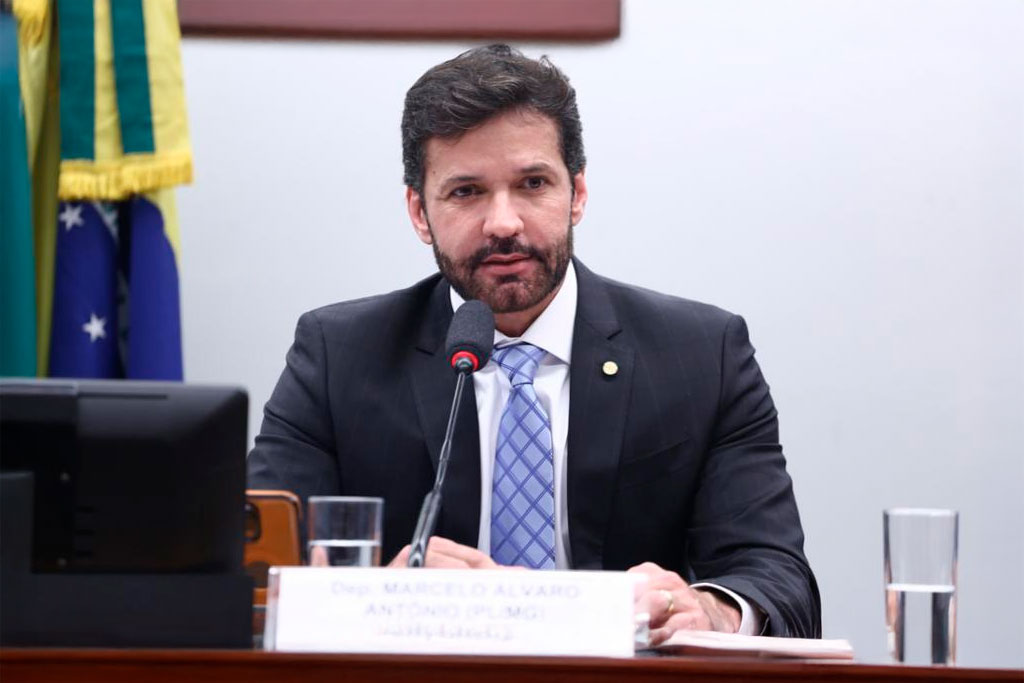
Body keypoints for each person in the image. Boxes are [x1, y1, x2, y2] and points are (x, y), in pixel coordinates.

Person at [248, 44, 820, 642]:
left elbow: (778, 579)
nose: (503, 223)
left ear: (576, 194)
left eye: (532, 183)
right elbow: (256, 581)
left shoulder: (703, 355)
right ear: (420, 212)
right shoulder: (339, 356)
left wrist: (710, 610)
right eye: (466, 191)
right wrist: (383, 594)